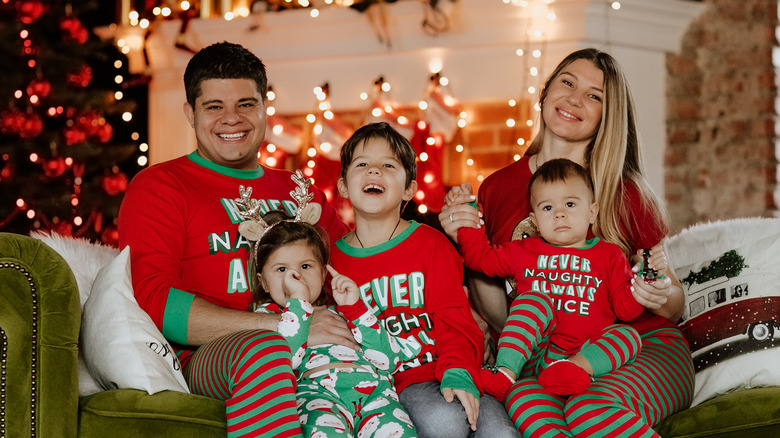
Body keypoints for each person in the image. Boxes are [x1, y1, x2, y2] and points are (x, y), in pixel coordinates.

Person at [439, 48, 694, 436]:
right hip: (550, 357)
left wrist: (658, 290)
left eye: (595, 96)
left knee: (588, 409)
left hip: (641, 346)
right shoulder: (497, 187)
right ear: (545, 92)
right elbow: (501, 315)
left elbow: (673, 306)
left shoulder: (626, 193)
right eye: (567, 83)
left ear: (608, 117)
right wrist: (462, 237)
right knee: (535, 413)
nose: (575, 99)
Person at [118, 41, 350, 438]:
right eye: (214, 107)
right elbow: (155, 301)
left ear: (264, 108)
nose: (232, 119)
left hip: (313, 345)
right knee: (266, 350)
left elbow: (357, 267)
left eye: (245, 104)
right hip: (214, 356)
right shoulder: (161, 186)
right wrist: (285, 326)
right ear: (191, 113)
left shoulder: (301, 189)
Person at [329, 122, 520, 437]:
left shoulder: (431, 243)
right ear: (344, 186)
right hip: (394, 383)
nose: (374, 171)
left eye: (388, 165)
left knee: (500, 433)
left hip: (449, 365)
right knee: (443, 420)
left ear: (409, 189)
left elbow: (455, 317)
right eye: (362, 164)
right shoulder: (332, 262)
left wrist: (459, 371)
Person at [451, 159, 666, 406]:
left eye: (570, 204)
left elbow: (625, 310)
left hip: (584, 355)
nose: (560, 213)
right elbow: (481, 259)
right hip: (535, 356)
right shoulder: (523, 250)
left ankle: (574, 370)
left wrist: (647, 281)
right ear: (534, 220)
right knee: (532, 301)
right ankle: (505, 374)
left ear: (592, 212)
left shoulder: (610, 255)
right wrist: (468, 215)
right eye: (547, 208)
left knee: (627, 335)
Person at [243, 206, 416, 437]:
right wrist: (299, 303)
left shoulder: (343, 309)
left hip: (375, 393)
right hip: (318, 396)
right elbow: (286, 359)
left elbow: (390, 360)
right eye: (282, 269)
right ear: (263, 282)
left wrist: (356, 309)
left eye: (305, 266)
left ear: (324, 273)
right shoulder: (267, 318)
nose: (296, 277)